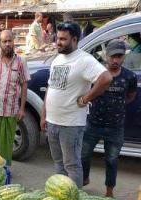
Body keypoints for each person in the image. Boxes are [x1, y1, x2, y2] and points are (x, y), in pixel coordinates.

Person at [40, 22, 112, 188]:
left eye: (63, 39)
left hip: (70, 124)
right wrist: (44, 115)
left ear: (74, 39)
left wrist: (86, 98)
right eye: (57, 38)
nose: (58, 42)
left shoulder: (84, 60)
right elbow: (50, 88)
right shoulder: (57, 59)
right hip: (53, 122)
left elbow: (106, 78)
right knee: (58, 164)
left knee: (71, 165)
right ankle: (61, 194)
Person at [81, 39, 137, 197]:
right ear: (106, 56)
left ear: (123, 57)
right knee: (84, 154)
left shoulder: (129, 77)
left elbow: (131, 96)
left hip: (115, 127)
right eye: (112, 56)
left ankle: (109, 191)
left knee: (112, 160)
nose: (115, 60)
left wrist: (116, 106)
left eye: (119, 56)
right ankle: (84, 178)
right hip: (93, 124)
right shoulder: (96, 74)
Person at [0, 30, 30, 166]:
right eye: (4, 41)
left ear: (13, 42)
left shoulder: (21, 62)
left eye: (10, 41)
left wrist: (22, 109)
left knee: (6, 147)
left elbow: (24, 85)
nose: (8, 44)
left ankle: (4, 173)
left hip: (10, 112)